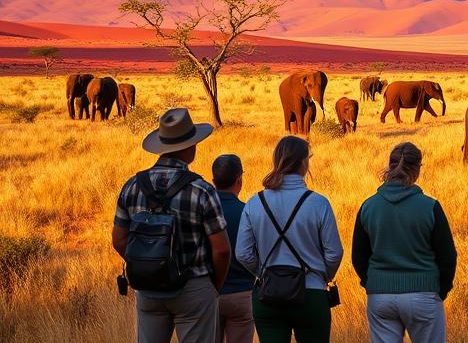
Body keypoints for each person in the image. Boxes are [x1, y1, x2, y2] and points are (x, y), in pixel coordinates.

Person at [112, 107, 232, 343]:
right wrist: (212, 287)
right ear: (189, 147)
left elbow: (118, 240)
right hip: (193, 285)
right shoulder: (202, 190)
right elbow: (222, 249)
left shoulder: (132, 186)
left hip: (148, 290)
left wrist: (149, 265)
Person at [236, 136, 343, 343]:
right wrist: (321, 275)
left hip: (267, 294)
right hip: (311, 293)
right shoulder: (319, 203)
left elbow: (242, 253)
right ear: (304, 162)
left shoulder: (254, 203)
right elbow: (334, 252)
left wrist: (263, 272)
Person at [352, 142, 457, 343]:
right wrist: (440, 290)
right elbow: (448, 256)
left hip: (380, 295)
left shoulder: (368, 206)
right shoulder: (430, 207)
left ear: (389, 167)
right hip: (424, 294)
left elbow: (358, 256)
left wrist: (372, 283)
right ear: (417, 169)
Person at [212, 154, 255, 343]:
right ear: (240, 180)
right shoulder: (248, 211)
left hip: (208, 293)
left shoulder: (203, 211)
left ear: (213, 182)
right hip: (242, 293)